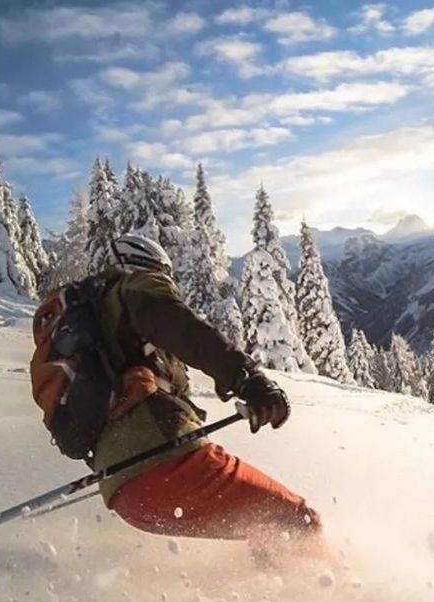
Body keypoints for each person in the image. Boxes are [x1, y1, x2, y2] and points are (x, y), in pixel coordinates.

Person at [91, 234, 321, 554]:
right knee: (298, 521)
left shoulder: (93, 325)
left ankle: (271, 596)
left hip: (126, 497)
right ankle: (337, 598)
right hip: (170, 469)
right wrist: (245, 377)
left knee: (267, 526)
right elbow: (179, 326)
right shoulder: (135, 286)